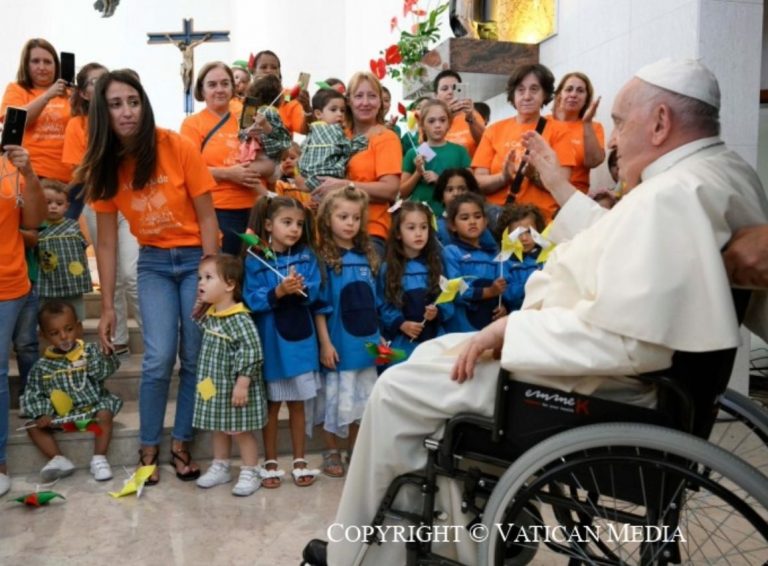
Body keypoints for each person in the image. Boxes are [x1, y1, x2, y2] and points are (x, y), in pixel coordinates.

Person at [306, 57, 768, 566]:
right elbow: (621, 244)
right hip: (605, 374)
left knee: (397, 388)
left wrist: (512, 330)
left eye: (619, 122)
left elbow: (628, 341)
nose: (613, 140)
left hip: (592, 385)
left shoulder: (672, 194)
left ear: (660, 122)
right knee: (433, 359)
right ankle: (433, 541)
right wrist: (559, 187)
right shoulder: (716, 174)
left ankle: (364, 555)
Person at [79, 69, 219, 485]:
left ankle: (181, 442)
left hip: (195, 260)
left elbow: (207, 216)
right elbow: (106, 243)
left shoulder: (176, 146)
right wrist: (107, 306)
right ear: (102, 112)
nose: (127, 112)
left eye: (133, 102)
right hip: (154, 263)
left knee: (193, 356)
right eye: (116, 104)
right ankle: (148, 445)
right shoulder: (105, 167)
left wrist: (209, 275)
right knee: (158, 358)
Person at [242, 196, 322, 488]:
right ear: (268, 225)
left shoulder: (306, 257)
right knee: (272, 406)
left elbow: (315, 291)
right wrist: (278, 291)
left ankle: (300, 460)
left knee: (298, 404)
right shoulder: (256, 259)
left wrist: (299, 288)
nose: (294, 229)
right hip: (273, 345)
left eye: (299, 224)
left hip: (301, 344)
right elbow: (251, 299)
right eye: (287, 222)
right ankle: (271, 461)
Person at [64, 62, 140, 355]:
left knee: (132, 273)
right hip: (97, 203)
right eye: (94, 82)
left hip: (130, 205)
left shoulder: (121, 118)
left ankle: (153, 335)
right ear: (83, 93)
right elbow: (78, 171)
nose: (102, 84)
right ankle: (118, 339)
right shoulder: (77, 125)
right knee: (113, 277)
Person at [310, 186, 380, 479]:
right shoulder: (322, 258)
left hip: (366, 345)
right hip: (339, 345)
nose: (350, 223)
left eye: (355, 217)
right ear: (328, 219)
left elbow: (374, 303)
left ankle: (355, 450)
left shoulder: (369, 256)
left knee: (362, 401)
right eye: (343, 217)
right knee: (334, 400)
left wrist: (379, 337)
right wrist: (325, 344)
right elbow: (320, 307)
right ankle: (331, 450)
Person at [20, 301, 121, 482]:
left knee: (105, 412)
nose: (64, 337)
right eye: (55, 333)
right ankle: (59, 458)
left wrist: (106, 355)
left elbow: (103, 372)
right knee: (32, 426)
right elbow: (33, 393)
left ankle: (99, 459)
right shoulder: (42, 366)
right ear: (43, 336)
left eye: (69, 329)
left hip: (91, 415)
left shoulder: (89, 352)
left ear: (79, 328)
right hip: (62, 420)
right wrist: (42, 414)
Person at [193, 254, 266, 497]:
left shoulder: (239, 319)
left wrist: (243, 383)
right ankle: (221, 465)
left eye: (208, 278)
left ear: (230, 284)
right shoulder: (212, 313)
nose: (201, 283)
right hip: (213, 385)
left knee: (240, 430)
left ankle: (251, 470)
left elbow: (252, 351)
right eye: (200, 278)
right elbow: (198, 323)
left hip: (235, 388)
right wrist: (200, 304)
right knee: (218, 426)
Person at [310, 72, 401, 259]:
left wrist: (345, 185)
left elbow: (390, 190)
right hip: (330, 230)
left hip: (370, 231)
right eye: (359, 96)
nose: (365, 102)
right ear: (349, 101)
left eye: (372, 96)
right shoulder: (337, 135)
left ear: (381, 102)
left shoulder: (386, 138)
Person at [472, 63, 576, 222]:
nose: (527, 96)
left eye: (534, 89)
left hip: (540, 221)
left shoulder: (560, 132)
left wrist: (534, 175)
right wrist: (503, 177)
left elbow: (562, 183)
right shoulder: (493, 130)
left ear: (545, 94)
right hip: (499, 219)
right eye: (520, 90)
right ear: (512, 94)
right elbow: (478, 182)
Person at [181, 61, 266, 255]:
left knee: (254, 268)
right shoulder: (192, 124)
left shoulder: (247, 120)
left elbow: (271, 164)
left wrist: (265, 137)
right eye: (212, 85)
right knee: (225, 268)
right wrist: (229, 174)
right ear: (202, 90)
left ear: (233, 88)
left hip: (255, 209)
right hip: (217, 210)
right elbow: (187, 170)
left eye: (225, 83)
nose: (219, 89)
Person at [0, 144, 46, 497]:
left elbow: (33, 223)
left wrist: (28, 173)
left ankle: (0, 463)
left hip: (8, 284)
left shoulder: (11, 169)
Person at [378, 201, 448, 362]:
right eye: (411, 228)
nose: (419, 233)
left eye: (423, 227)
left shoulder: (436, 265)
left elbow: (447, 297)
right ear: (398, 233)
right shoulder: (388, 269)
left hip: (435, 340)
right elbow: (383, 304)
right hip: (403, 344)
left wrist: (437, 311)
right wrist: (401, 323)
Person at [1, 38, 72, 183]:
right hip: (26, 174)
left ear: (56, 65)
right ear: (26, 64)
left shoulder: (71, 94)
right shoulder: (16, 89)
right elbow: (13, 123)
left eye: (47, 62)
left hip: (68, 179)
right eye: (35, 61)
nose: (42, 67)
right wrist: (47, 96)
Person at [442, 192, 509, 332]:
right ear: (452, 225)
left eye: (477, 217)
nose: (472, 221)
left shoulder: (494, 255)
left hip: (489, 325)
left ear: (485, 222)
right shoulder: (451, 252)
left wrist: (502, 307)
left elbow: (501, 288)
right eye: (465, 218)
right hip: (461, 326)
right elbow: (456, 289)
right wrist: (489, 291)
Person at [400, 99, 471, 215]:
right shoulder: (413, 153)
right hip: (420, 217)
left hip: (452, 215)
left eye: (442, 120)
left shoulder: (460, 151)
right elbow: (402, 193)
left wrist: (440, 180)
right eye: (431, 121)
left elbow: (470, 187)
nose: (437, 125)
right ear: (422, 124)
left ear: (449, 123)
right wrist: (417, 173)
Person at [37, 179, 92, 320]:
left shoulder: (74, 226)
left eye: (59, 203)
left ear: (67, 206)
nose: (53, 206)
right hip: (46, 285)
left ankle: (78, 335)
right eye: (48, 202)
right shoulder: (36, 228)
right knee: (45, 319)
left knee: (76, 318)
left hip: (72, 283)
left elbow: (85, 246)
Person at [299, 88, 368, 191]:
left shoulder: (314, 129)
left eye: (342, 110)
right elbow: (347, 149)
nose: (339, 114)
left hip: (310, 179)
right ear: (318, 114)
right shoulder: (333, 130)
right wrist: (361, 141)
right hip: (330, 179)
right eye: (333, 110)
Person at [550, 71, 606, 192]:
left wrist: (587, 123)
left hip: (575, 195)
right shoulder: (543, 123)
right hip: (542, 191)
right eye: (569, 89)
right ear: (559, 95)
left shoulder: (594, 127)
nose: (573, 94)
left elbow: (593, 162)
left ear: (586, 99)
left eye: (580, 91)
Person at [493, 203, 547, 311]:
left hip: (545, 312)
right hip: (519, 314)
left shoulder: (546, 256)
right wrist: (533, 283)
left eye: (529, 232)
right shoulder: (504, 262)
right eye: (517, 234)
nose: (524, 238)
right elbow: (509, 295)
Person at [251, 50, 311, 136]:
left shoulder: (288, 97)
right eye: (263, 67)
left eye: (274, 68)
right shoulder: (243, 96)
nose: (269, 71)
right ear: (253, 71)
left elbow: (305, 130)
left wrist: (307, 109)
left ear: (279, 73)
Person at [433, 70, 486, 158]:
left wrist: (470, 118)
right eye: (444, 89)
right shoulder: (430, 118)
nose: (450, 92)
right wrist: (445, 116)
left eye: (454, 88)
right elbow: (423, 151)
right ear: (436, 95)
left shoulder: (473, 115)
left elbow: (486, 143)